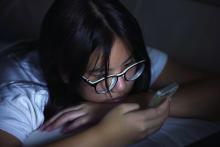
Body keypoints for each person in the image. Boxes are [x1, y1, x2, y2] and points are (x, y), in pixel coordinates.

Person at [0, 0, 220, 146]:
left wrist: (138, 100)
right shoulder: (22, 95)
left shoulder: (122, 59)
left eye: (128, 66)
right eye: (102, 77)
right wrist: (109, 135)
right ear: (65, 73)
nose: (122, 86)